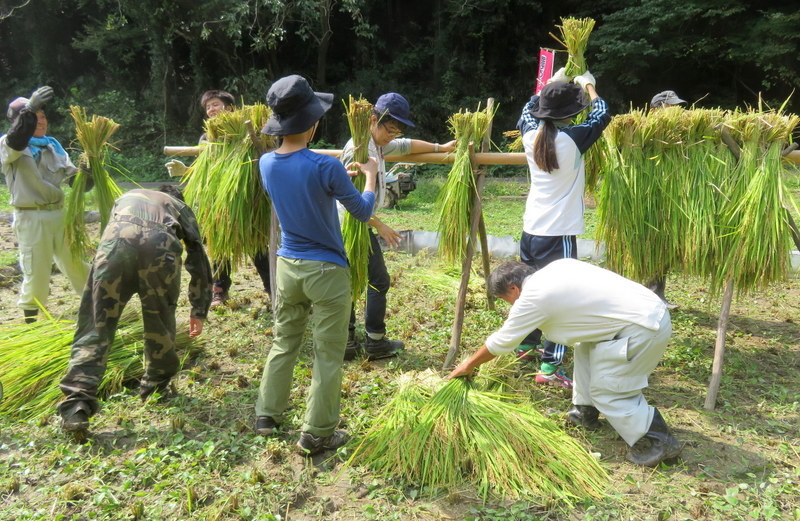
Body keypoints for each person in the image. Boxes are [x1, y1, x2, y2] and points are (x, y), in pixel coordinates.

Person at [448, 259, 683, 467]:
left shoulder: (533, 296)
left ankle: (660, 441)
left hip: (642, 326)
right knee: (586, 350)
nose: (510, 305)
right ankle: (584, 412)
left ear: (513, 288)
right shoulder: (557, 268)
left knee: (610, 390)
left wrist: (469, 365)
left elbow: (502, 342)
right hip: (638, 314)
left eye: (505, 299)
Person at [254, 75, 377, 456]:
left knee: (284, 341)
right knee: (327, 354)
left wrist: (340, 180)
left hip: (287, 267)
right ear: (312, 123)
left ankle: (266, 414)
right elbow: (362, 211)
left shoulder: (266, 163)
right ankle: (317, 433)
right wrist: (370, 177)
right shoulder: (326, 167)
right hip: (325, 272)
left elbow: (300, 186)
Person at [58, 185, 213, 433]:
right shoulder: (178, 206)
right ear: (176, 197)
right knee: (159, 322)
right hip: (159, 249)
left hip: (116, 245)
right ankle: (155, 387)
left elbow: (110, 231)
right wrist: (199, 309)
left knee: (96, 325)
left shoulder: (126, 196)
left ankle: (76, 405)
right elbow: (198, 257)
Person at [339, 92, 455, 360]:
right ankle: (366, 342)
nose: (392, 136)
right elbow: (348, 201)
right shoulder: (358, 150)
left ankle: (352, 341)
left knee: (359, 281)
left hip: (359, 225)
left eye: (396, 132)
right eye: (389, 130)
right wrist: (380, 225)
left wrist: (440, 147)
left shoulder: (377, 144)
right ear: (373, 120)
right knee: (370, 280)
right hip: (347, 226)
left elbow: (406, 146)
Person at [515, 69, 612, 388]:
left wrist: (547, 84)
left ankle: (525, 346)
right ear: (568, 115)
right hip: (558, 235)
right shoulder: (573, 139)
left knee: (530, 290)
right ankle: (550, 366)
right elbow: (602, 113)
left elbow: (526, 110)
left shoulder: (529, 134)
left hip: (530, 231)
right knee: (563, 297)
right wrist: (589, 85)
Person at [165, 89, 271, 308]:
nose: (211, 109)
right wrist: (186, 170)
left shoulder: (249, 132)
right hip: (218, 200)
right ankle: (220, 289)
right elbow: (205, 172)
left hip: (248, 196)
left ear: (229, 108)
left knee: (257, 244)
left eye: (215, 104)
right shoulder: (207, 138)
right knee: (219, 244)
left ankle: (272, 288)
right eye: (208, 107)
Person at [0, 86, 90, 323]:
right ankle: (31, 324)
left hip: (59, 215)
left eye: (42, 116)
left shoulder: (53, 146)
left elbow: (76, 182)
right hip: (32, 217)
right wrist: (28, 109)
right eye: (34, 117)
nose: (41, 121)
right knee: (37, 272)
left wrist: (89, 169)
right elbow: (18, 138)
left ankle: (97, 308)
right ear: (19, 121)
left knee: (77, 264)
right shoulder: (9, 145)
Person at [647, 90, 687, 310]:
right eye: (670, 106)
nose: (675, 110)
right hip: (646, 195)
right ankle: (646, 295)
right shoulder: (642, 130)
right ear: (656, 109)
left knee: (663, 246)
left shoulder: (677, 132)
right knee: (647, 244)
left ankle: (656, 294)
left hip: (669, 195)